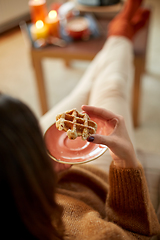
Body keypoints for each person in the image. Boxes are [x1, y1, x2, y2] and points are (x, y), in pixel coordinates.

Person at [0, 0, 160, 239]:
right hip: (88, 180)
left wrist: (42, 176)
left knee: (82, 91)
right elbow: (136, 234)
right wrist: (126, 162)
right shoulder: (86, 233)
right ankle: (121, 30)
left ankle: (118, 36)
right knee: (111, 87)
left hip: (30, 172)